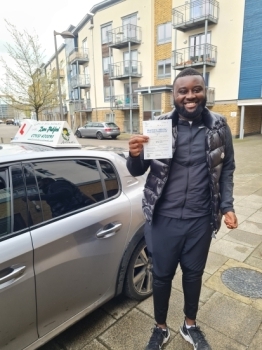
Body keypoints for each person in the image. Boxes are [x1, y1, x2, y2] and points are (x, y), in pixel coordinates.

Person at [126, 67, 238, 350]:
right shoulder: (159, 126)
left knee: (193, 274)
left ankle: (190, 325)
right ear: (174, 95)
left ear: (204, 92)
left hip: (200, 219)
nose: (190, 96)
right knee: (161, 276)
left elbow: (227, 169)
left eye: (196, 90)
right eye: (183, 91)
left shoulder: (219, 126)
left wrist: (227, 206)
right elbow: (139, 170)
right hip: (163, 218)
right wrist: (134, 155)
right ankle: (160, 328)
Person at [28, 177, 94, 218]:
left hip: (79, 214)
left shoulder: (57, 184)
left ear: (46, 181)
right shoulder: (50, 190)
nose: (38, 187)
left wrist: (36, 197)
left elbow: (65, 193)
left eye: (39, 184)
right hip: (72, 217)